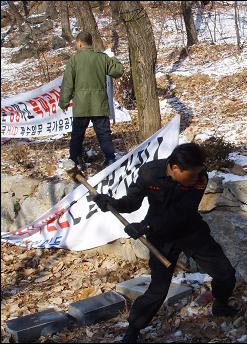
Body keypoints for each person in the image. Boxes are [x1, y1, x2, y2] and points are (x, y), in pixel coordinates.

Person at [93, 143, 237, 343]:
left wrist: (146, 226)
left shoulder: (200, 177)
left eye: (198, 173)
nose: (198, 177)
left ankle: (220, 303)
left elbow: (183, 212)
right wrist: (111, 204)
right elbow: (132, 203)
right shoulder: (149, 174)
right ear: (176, 168)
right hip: (161, 239)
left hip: (191, 231)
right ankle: (133, 329)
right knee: (158, 290)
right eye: (193, 174)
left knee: (226, 274)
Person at [59, 31, 124, 167]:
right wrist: (113, 58)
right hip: (99, 104)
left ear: (80, 44)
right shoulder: (102, 58)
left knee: (77, 134)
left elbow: (68, 83)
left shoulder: (74, 60)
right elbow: (118, 71)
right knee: (104, 133)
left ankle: (74, 160)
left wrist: (64, 101)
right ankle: (111, 159)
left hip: (81, 105)